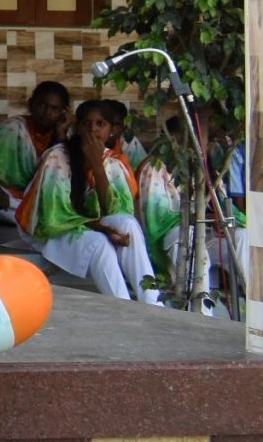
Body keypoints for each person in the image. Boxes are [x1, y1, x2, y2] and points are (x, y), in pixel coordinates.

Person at [18, 97, 161, 304]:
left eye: (100, 124)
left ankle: (153, 302)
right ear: (77, 127)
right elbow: (54, 217)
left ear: (111, 130)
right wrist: (104, 230)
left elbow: (116, 211)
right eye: (87, 123)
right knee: (99, 244)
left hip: (90, 226)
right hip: (53, 231)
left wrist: (97, 165)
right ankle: (124, 306)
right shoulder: (57, 157)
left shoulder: (113, 161)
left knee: (128, 224)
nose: (93, 129)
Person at [0, 81, 69, 226]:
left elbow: (67, 178)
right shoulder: (12, 128)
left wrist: (60, 134)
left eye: (55, 109)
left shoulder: (67, 133)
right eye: (42, 105)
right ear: (31, 104)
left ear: (64, 112)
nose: (47, 112)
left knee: (58, 206)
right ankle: (39, 222)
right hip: (13, 196)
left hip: (46, 199)